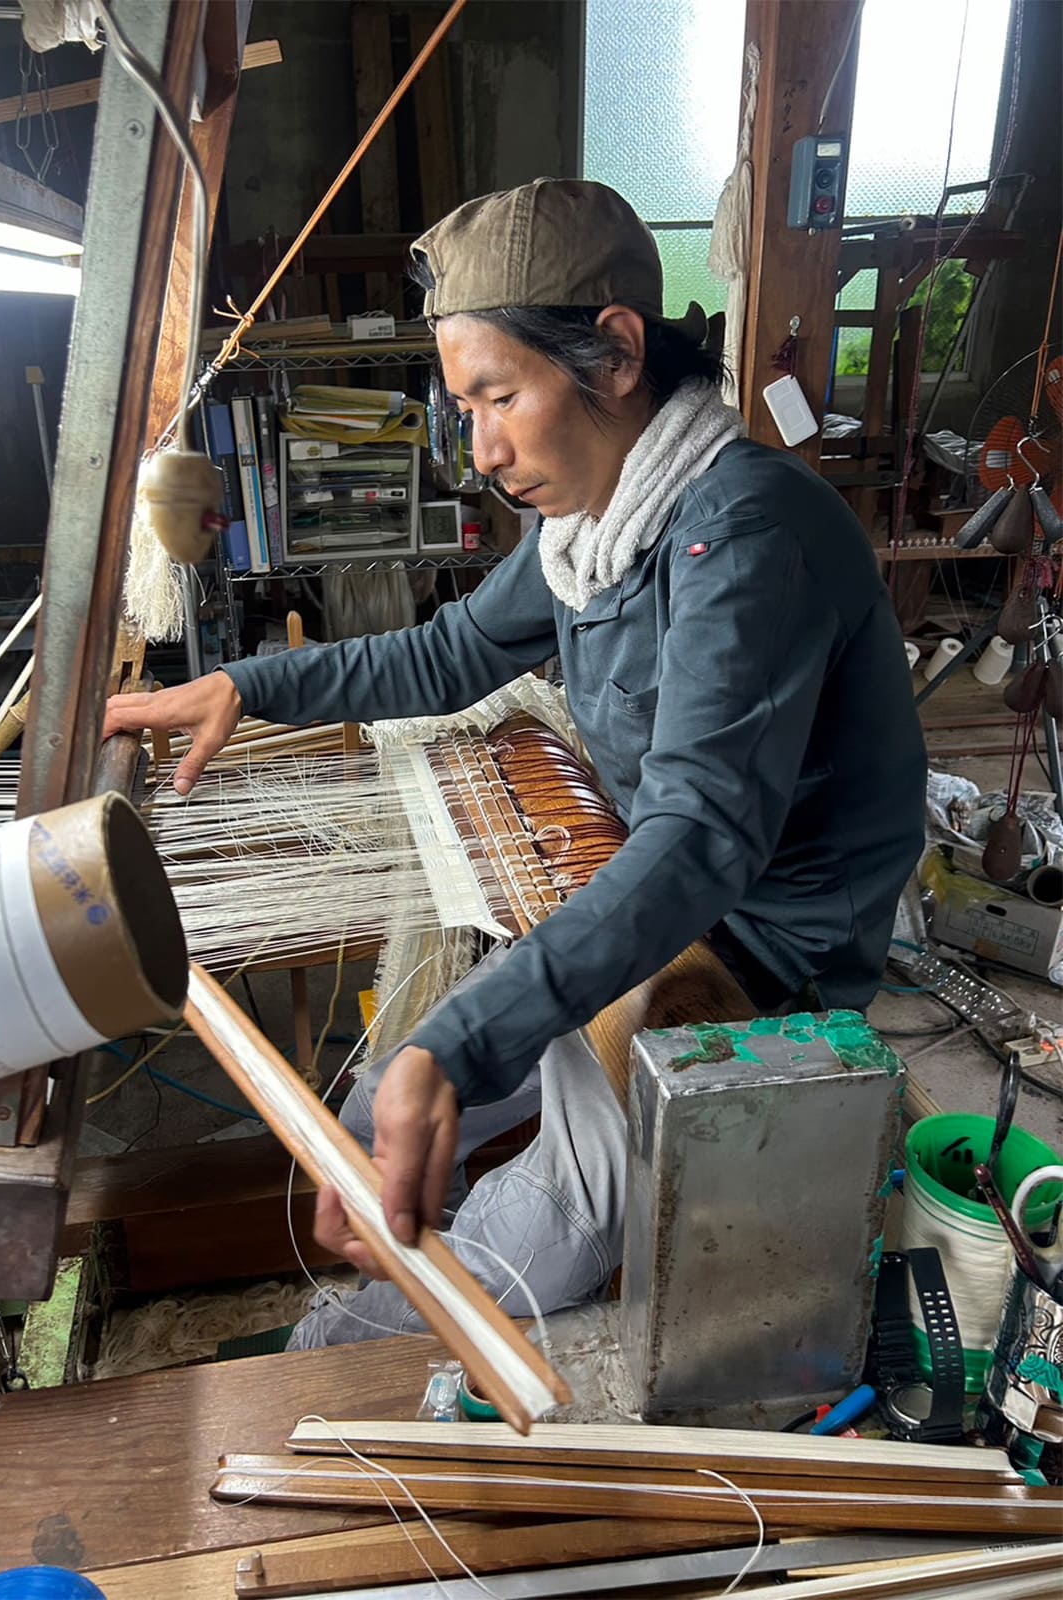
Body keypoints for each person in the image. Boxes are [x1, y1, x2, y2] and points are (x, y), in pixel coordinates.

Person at [104, 179, 927, 1347]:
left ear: (617, 351)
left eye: (501, 395)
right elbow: (452, 654)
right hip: (650, 878)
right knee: (380, 1096)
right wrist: (250, 684)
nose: (484, 448)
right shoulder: (595, 525)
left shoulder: (743, 536)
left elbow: (696, 843)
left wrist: (464, 1038)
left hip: (758, 951)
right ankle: (356, 1317)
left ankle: (335, 1365)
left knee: (562, 1186)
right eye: (464, 405)